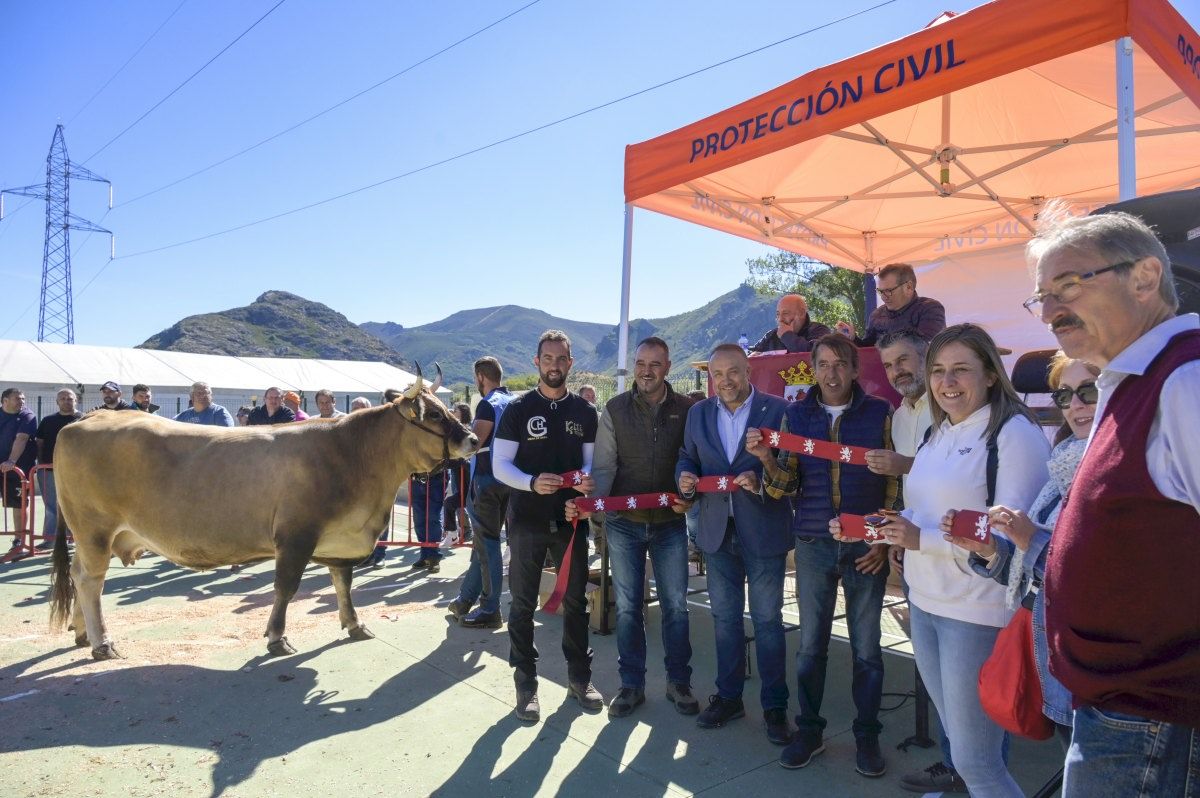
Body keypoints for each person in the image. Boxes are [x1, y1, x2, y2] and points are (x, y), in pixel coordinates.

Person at [1027, 206, 1200, 797]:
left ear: (1145, 277)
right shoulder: (1128, 379)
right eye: (1042, 296)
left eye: (1069, 285)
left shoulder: (1186, 379)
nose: (1050, 311)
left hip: (1156, 720)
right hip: (1125, 711)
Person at [864, 324, 1049, 798]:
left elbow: (1012, 534)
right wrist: (888, 523)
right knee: (960, 747)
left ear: (990, 373)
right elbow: (925, 507)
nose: (947, 382)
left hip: (976, 610)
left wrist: (920, 537)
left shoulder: (1014, 432)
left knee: (977, 761)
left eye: (960, 370)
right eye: (939, 371)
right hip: (924, 603)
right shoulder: (936, 431)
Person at [757, 334, 897, 776]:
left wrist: (881, 540)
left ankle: (867, 736)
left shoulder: (880, 414)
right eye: (823, 365)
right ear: (812, 370)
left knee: (868, 649)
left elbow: (895, 484)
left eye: (840, 364)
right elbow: (784, 486)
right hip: (814, 545)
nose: (832, 373)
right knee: (810, 646)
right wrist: (765, 459)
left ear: (856, 370)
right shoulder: (796, 415)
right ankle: (810, 730)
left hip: (864, 548)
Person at [950, 353, 1099, 746]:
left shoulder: (1120, 469)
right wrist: (990, 550)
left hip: (1093, 675)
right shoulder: (1063, 468)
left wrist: (1029, 537)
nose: (1076, 405)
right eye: (1065, 396)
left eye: (1089, 391)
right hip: (1053, 657)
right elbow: (1036, 577)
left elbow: (1097, 574)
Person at [568, 336, 699, 718]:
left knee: (676, 607)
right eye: (641, 363)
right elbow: (605, 466)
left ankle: (679, 682)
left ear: (668, 368)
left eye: (654, 364)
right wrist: (598, 512)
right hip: (623, 525)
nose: (646, 371)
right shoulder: (614, 409)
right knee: (627, 608)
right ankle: (631, 686)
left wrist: (689, 496)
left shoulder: (687, 410)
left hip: (671, 524)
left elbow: (693, 462)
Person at [676, 344, 793, 743]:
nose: (725, 381)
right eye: (717, 374)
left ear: (748, 371)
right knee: (725, 621)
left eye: (733, 372)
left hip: (763, 529)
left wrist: (763, 479)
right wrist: (686, 478)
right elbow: (685, 457)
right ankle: (729, 697)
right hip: (715, 532)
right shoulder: (698, 413)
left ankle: (775, 707)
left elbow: (791, 472)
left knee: (767, 623)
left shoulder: (778, 410)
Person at [870, 330, 971, 795]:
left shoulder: (950, 407)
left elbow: (944, 476)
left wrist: (902, 466)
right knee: (939, 678)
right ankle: (954, 766)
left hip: (962, 563)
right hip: (917, 549)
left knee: (968, 686)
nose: (898, 372)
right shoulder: (898, 413)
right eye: (890, 365)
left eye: (905, 360)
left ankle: (969, 771)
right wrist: (899, 530)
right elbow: (911, 485)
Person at [492, 330, 602, 722]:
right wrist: (531, 482)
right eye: (548, 358)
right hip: (526, 520)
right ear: (536, 362)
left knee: (575, 601)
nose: (555, 365)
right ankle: (526, 683)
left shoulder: (586, 412)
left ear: (571, 363)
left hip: (572, 520)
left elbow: (591, 464)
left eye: (562, 359)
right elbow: (499, 465)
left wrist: (587, 483)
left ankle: (579, 678)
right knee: (522, 603)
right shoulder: (518, 410)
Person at [448, 357, 515, 629]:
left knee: (487, 545)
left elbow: (473, 443)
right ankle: (464, 600)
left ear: (480, 377)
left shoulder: (488, 404)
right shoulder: (514, 402)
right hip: (509, 479)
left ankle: (490, 608)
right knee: (482, 544)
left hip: (486, 480)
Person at [837, 263, 946, 345]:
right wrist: (853, 339)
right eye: (880, 291)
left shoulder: (930, 309)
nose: (884, 297)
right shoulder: (876, 315)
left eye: (889, 291)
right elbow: (867, 350)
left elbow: (926, 348)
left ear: (909, 287)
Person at [33, 388, 82, 549]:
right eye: (62, 399)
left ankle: (74, 538)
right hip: (48, 470)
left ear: (76, 400)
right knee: (52, 506)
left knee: (75, 504)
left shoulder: (84, 419)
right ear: (57, 402)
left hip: (76, 472)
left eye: (69, 399)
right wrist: (41, 464)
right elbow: (39, 442)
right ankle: (50, 539)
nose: (66, 401)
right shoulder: (47, 421)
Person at [1, 388, 38, 551]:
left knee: (19, 504)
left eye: (23, 398)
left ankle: (19, 541)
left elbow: (21, 438)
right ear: (5, 401)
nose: (22, 401)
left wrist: (11, 460)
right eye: (17, 398)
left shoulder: (27, 415)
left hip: (18, 469)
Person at [749, 294, 831, 354]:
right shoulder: (772, 335)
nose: (780, 319)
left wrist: (787, 336)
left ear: (802, 313)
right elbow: (751, 352)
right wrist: (751, 355)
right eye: (778, 314)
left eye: (785, 313)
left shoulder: (819, 330)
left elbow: (816, 353)